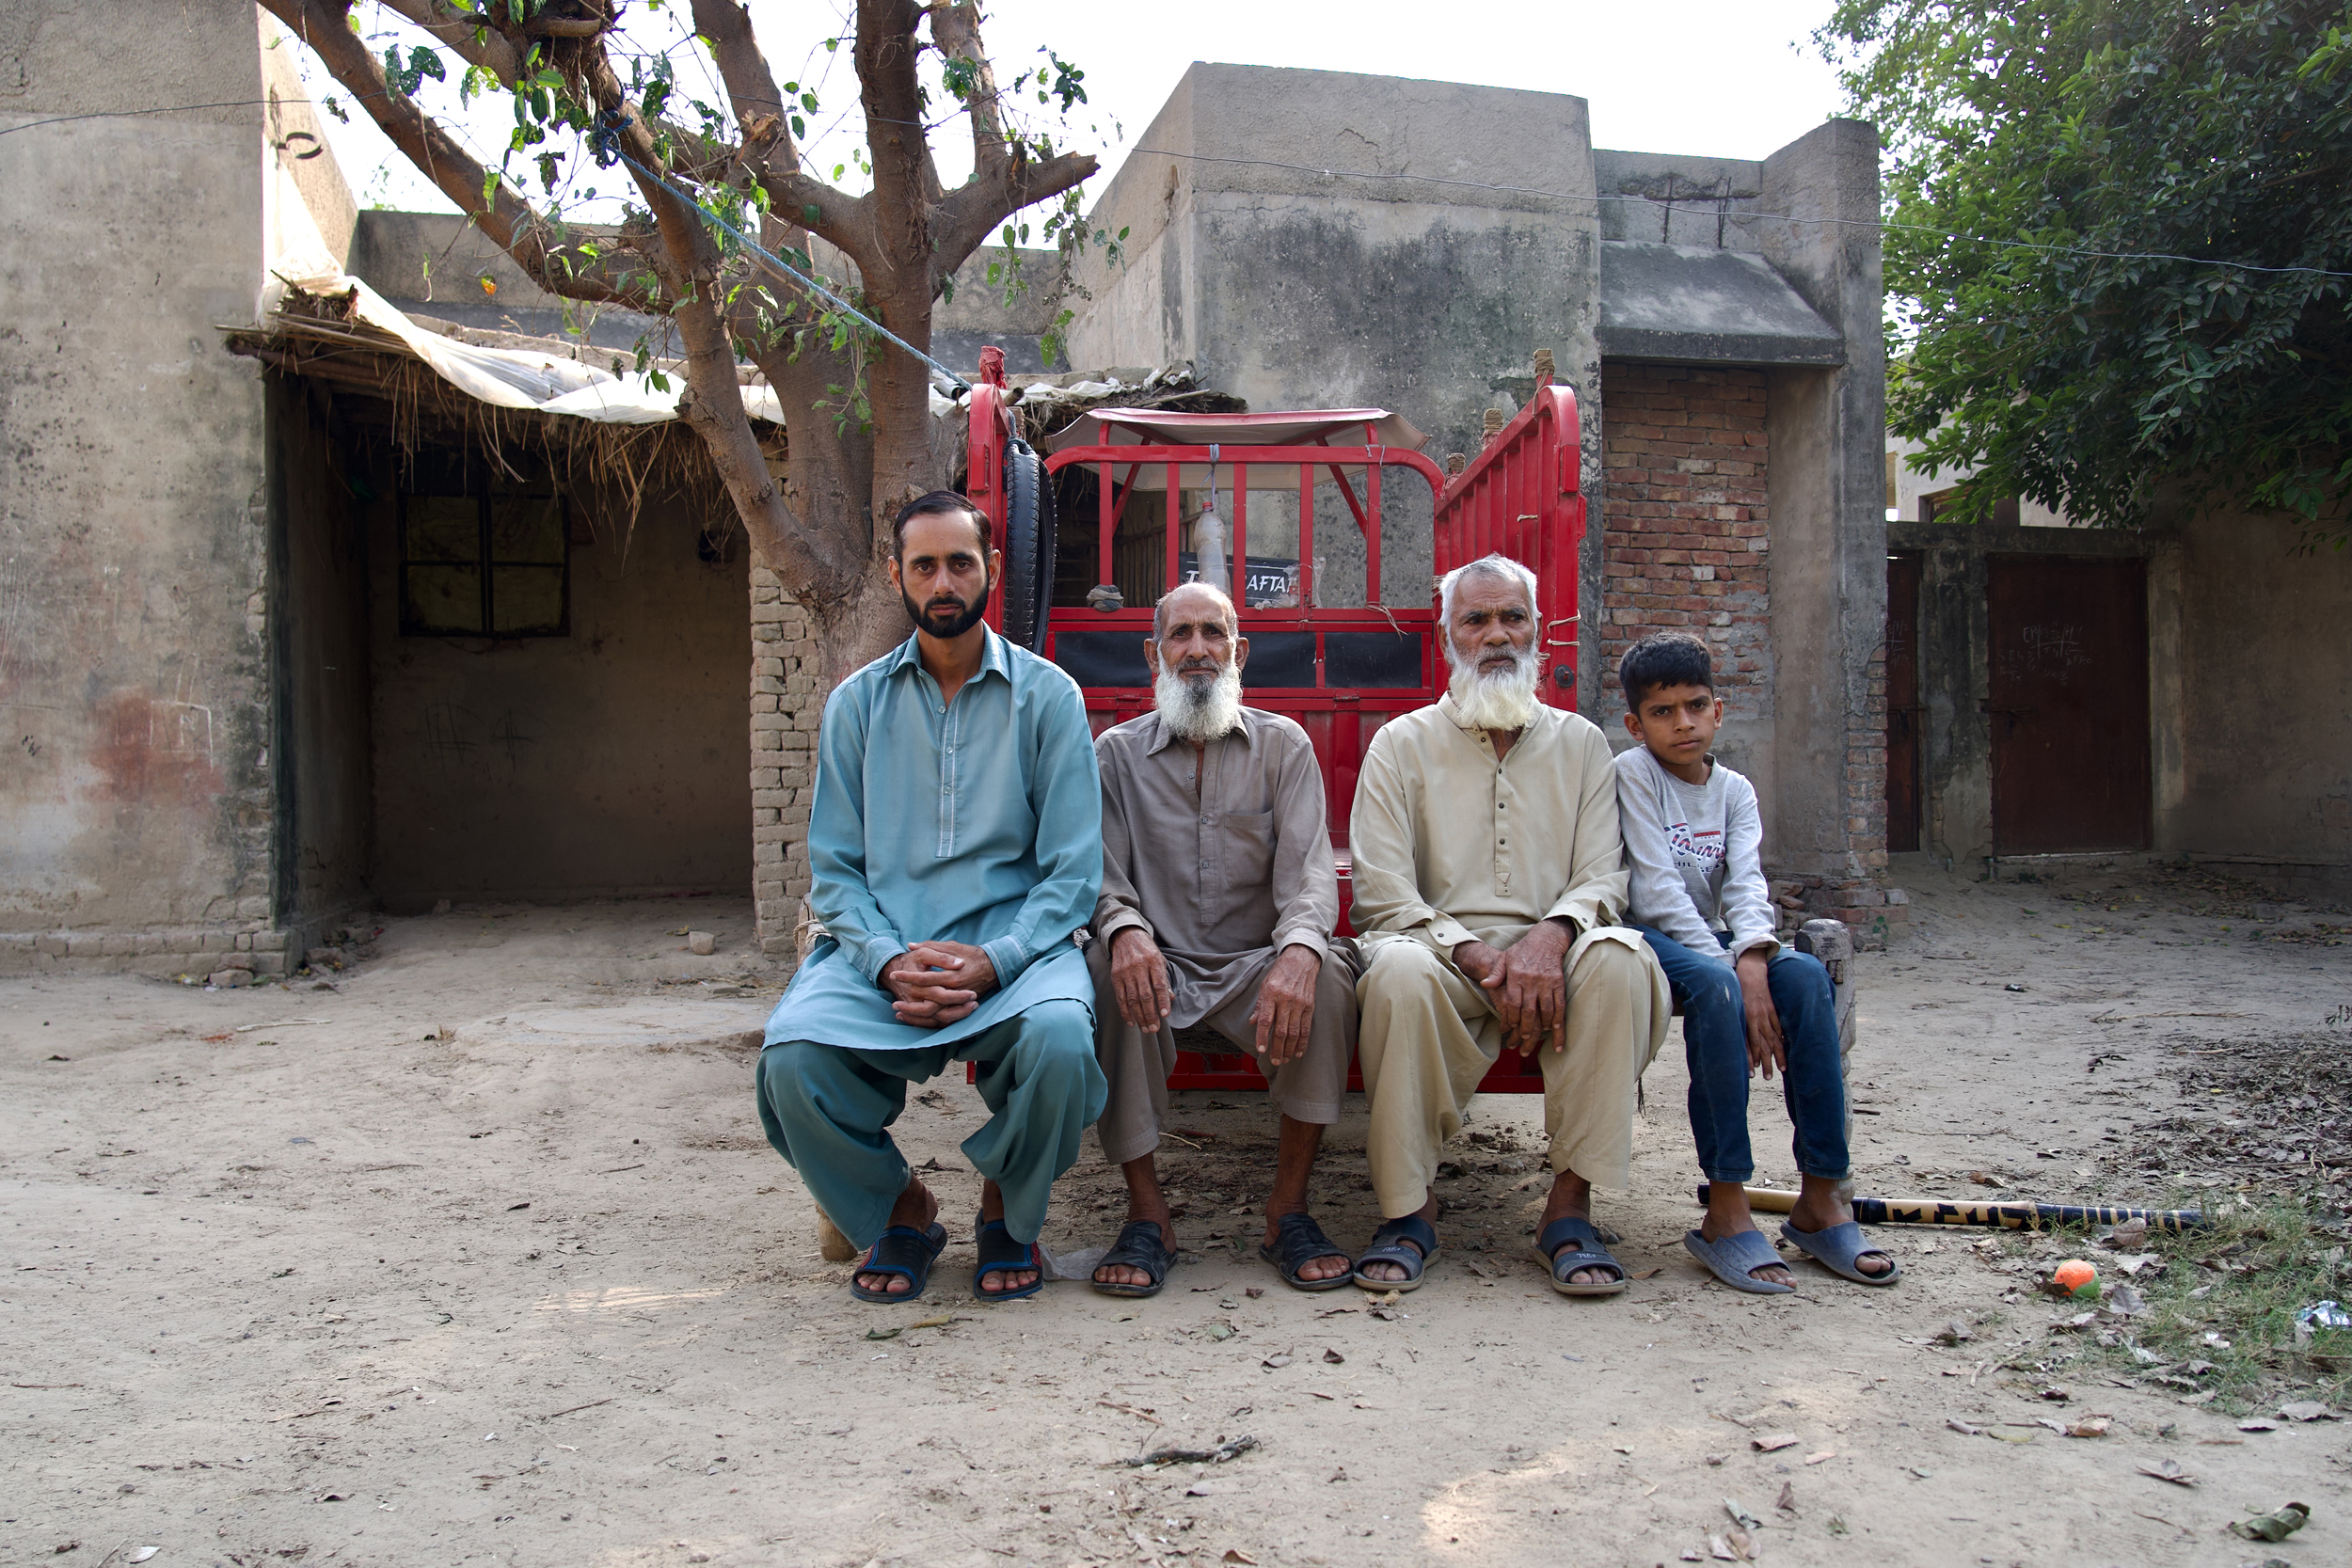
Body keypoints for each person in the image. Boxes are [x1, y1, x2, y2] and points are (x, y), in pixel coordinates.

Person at [754, 491, 1105, 1305]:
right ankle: (900, 1206)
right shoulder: (856, 705)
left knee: (1060, 1040)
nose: (942, 581)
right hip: (883, 952)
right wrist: (885, 961)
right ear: (897, 577)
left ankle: (1005, 1205)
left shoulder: (1049, 696)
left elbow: (1072, 874)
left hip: (1016, 952)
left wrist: (996, 959)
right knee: (790, 1061)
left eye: (959, 562)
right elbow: (835, 871)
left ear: (989, 569)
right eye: (924, 565)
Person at [1348, 553, 1670, 1296]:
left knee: (1622, 957)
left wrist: (1548, 938)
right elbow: (1382, 890)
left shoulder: (1583, 743)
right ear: (1446, 638)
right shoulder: (1400, 744)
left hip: (1555, 961)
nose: (1496, 634)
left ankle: (1569, 1210)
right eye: (1476, 619)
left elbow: (1603, 876)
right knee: (1393, 970)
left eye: (1512, 618)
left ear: (1538, 635)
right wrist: (1471, 951)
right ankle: (1410, 1211)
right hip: (1441, 958)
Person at [1086, 581, 1358, 1297]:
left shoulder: (1284, 745)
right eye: (1181, 634)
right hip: (1158, 963)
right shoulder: (1113, 755)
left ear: (1239, 651)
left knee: (1327, 974)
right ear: (1154, 653)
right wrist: (1125, 931)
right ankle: (1148, 1216)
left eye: (1214, 633)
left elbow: (1311, 874)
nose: (1198, 649)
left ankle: (1287, 1210)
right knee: (1097, 964)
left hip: (1254, 967)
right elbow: (1101, 875)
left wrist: (1299, 950)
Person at [1613, 630, 1898, 1291]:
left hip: (1714, 941)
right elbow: (1654, 890)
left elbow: (1745, 885)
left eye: (1695, 705)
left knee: (1801, 977)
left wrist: (1755, 955)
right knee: (1718, 986)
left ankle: (1821, 1198)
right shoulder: (1634, 773)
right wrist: (1731, 967)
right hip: (1645, 937)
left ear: (1718, 709)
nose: (1682, 723)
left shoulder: (1735, 789)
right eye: (1662, 711)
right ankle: (1726, 1207)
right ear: (1636, 723)